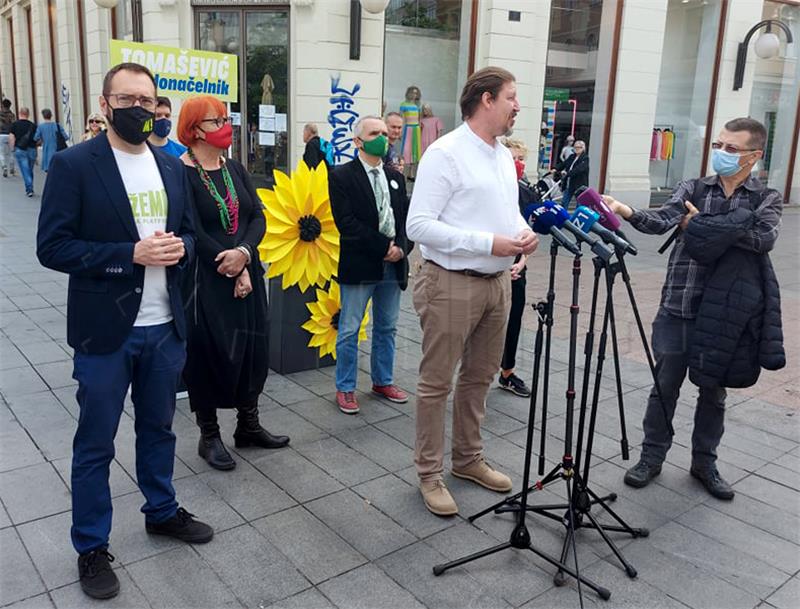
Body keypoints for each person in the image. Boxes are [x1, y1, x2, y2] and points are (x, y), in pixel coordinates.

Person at [36, 62, 213, 601]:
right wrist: (128, 255)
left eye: (149, 99)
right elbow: (52, 247)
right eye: (128, 97)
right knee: (95, 442)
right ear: (106, 102)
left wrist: (181, 246)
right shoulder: (74, 165)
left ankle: (160, 511)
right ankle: (91, 546)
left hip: (165, 327)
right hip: (104, 330)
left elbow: (186, 231)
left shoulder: (172, 167)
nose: (141, 107)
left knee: (159, 429)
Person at [603, 117, 783, 501]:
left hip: (726, 316)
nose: (721, 153)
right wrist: (626, 211)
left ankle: (705, 462)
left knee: (714, 393)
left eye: (731, 149)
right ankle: (651, 457)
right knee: (664, 386)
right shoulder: (694, 187)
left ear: (754, 156)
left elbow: (763, 238)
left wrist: (701, 225)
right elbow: (661, 221)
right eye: (719, 145)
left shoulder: (764, 198)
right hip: (679, 304)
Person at [406, 67, 539, 516]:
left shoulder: (501, 154)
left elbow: (507, 212)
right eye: (511, 97)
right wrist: (488, 244)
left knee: (480, 377)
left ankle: (467, 460)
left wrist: (523, 235)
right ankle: (429, 473)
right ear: (486, 100)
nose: (517, 106)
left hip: (498, 283)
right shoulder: (445, 154)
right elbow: (418, 226)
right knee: (436, 383)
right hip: (450, 282)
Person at [178, 95, 289, 471]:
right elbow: (190, 227)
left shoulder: (235, 169)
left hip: (246, 273)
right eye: (216, 120)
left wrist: (244, 254)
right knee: (209, 353)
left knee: (253, 350)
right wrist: (232, 262)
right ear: (194, 130)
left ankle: (248, 425)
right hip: (207, 280)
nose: (226, 126)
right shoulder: (181, 173)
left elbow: (257, 217)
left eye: (226, 118)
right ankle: (209, 435)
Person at [329, 115, 413, 414]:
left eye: (383, 132)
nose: (382, 137)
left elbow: (405, 219)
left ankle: (382, 380)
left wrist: (402, 249)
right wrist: (383, 247)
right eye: (374, 132)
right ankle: (346, 387)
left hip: (393, 265)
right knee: (350, 329)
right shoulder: (341, 176)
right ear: (358, 141)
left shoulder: (395, 176)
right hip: (361, 264)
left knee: (387, 327)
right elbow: (346, 223)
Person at [497, 138, 534, 398]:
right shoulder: (493, 190)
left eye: (521, 159)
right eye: (513, 159)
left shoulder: (527, 192)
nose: (517, 164)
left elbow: (529, 237)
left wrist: (521, 263)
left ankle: (507, 372)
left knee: (514, 319)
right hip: (492, 266)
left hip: (516, 268)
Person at [8, 107, 37, 197]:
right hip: (32, 149)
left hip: (20, 149)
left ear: (19, 113)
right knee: (29, 169)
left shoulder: (14, 125)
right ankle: (30, 187)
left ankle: (29, 189)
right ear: (28, 114)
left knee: (25, 170)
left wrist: (12, 148)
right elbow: (37, 138)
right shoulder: (33, 125)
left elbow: (11, 137)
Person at [554, 139, 588, 208]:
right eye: (575, 147)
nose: (576, 149)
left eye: (578, 147)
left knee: (579, 203)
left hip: (579, 185)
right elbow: (564, 164)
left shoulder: (585, 158)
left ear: (583, 148)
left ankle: (578, 217)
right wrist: (555, 168)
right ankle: (563, 217)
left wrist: (568, 173)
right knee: (564, 202)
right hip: (570, 184)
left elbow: (579, 169)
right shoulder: (572, 156)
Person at [34, 108, 70, 172]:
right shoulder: (57, 125)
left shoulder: (41, 127)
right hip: (58, 151)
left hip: (47, 153)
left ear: (43, 116)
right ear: (51, 115)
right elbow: (66, 137)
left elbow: (35, 138)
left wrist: (42, 140)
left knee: (50, 171)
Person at [0, 98, 16, 177]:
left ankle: (4, 166)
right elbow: (14, 125)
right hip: (10, 135)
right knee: (11, 152)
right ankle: (12, 168)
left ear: (2, 105)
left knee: (1, 153)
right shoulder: (12, 115)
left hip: (1, 134)